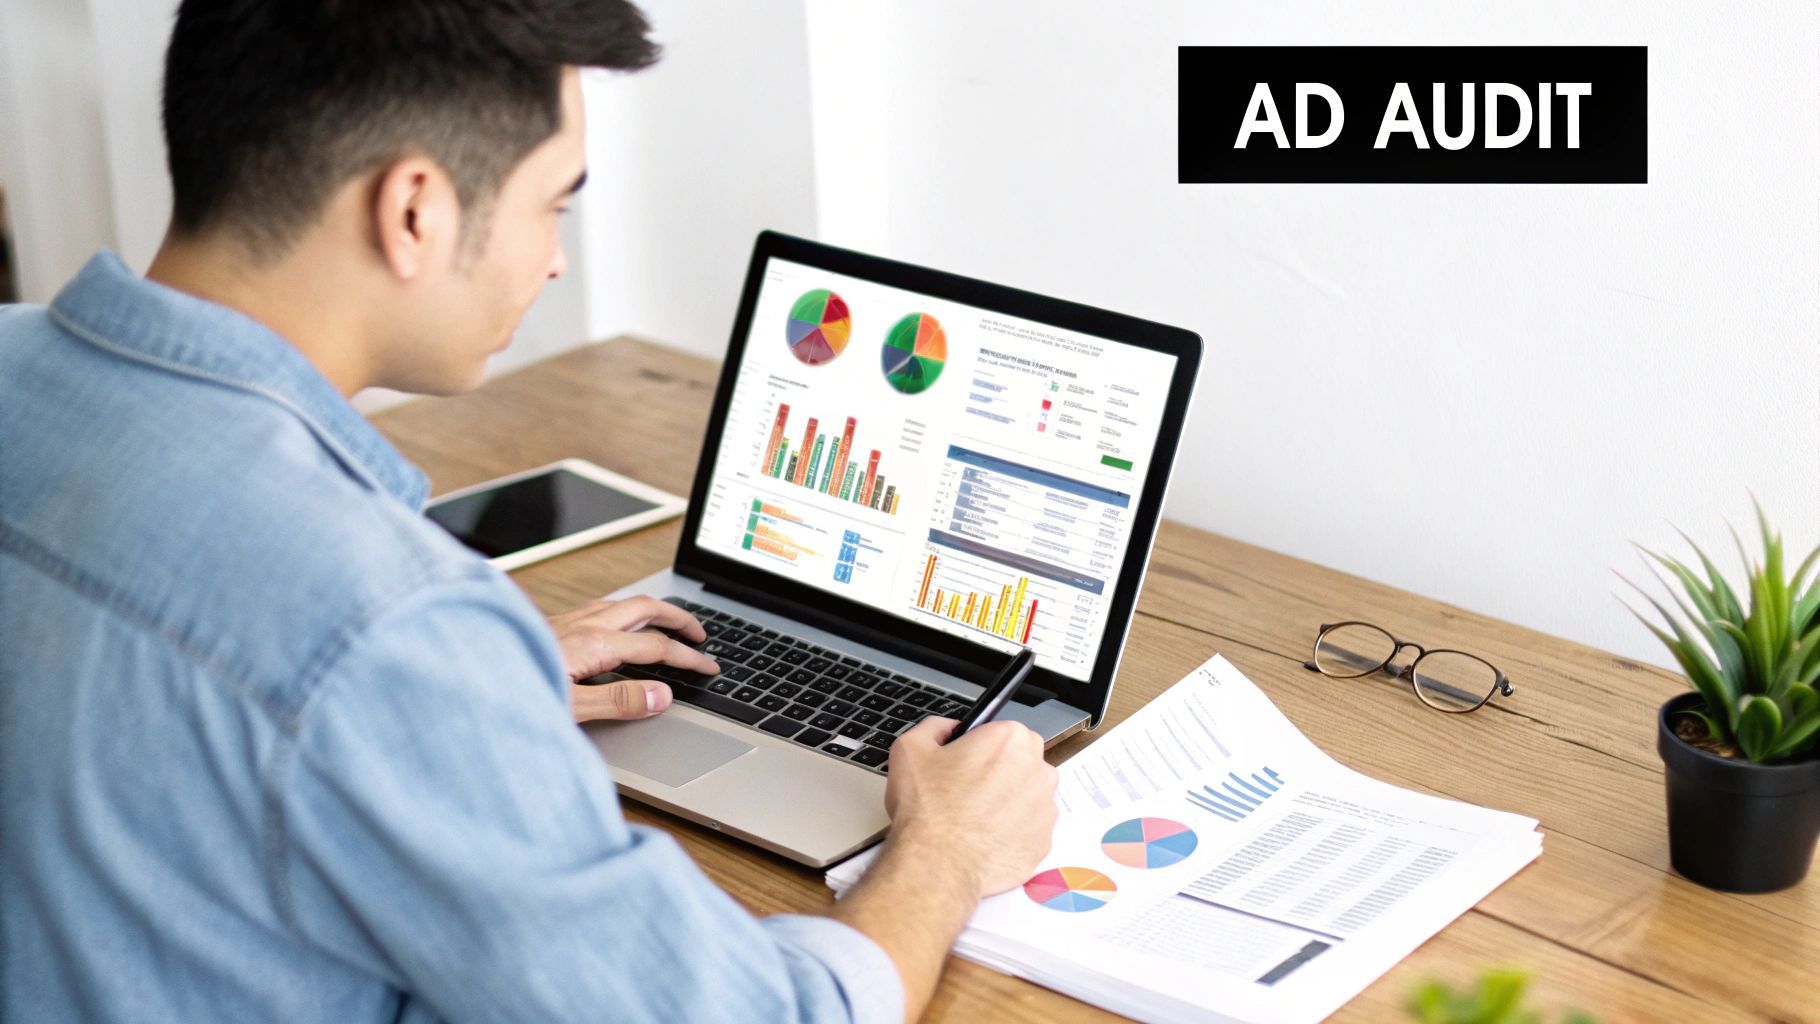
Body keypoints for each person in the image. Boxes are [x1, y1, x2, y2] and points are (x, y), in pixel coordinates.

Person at [0, 2, 1059, 1021]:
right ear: (414, 209)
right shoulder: (379, 626)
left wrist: (461, 700)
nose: (555, 255)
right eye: (553, 201)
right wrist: (945, 854)